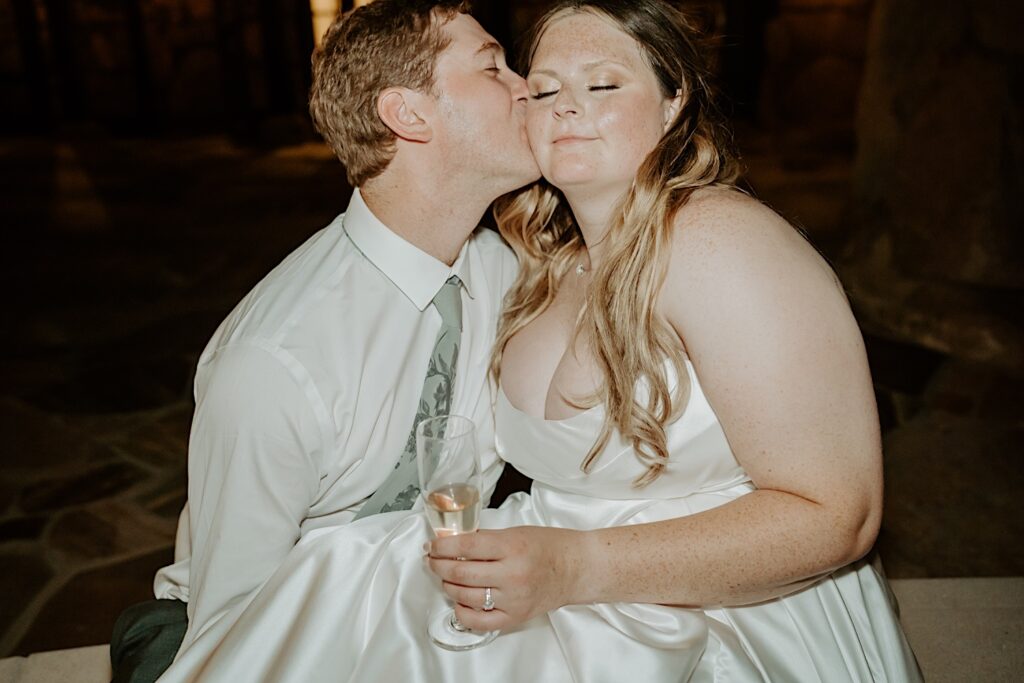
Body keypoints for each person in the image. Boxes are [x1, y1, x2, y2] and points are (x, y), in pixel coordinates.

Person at [156, 1, 923, 681]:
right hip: (547, 591)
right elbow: (236, 611)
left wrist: (572, 565)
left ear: (672, 99)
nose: (544, 100)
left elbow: (839, 512)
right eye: (532, 80)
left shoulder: (718, 244)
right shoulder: (529, 268)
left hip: (721, 616)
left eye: (602, 84)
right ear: (409, 115)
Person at [108, 1, 539, 681]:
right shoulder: (277, 362)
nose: (527, 85)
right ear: (409, 113)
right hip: (290, 634)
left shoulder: (507, 272)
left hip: (443, 608)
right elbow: (236, 625)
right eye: (493, 67)